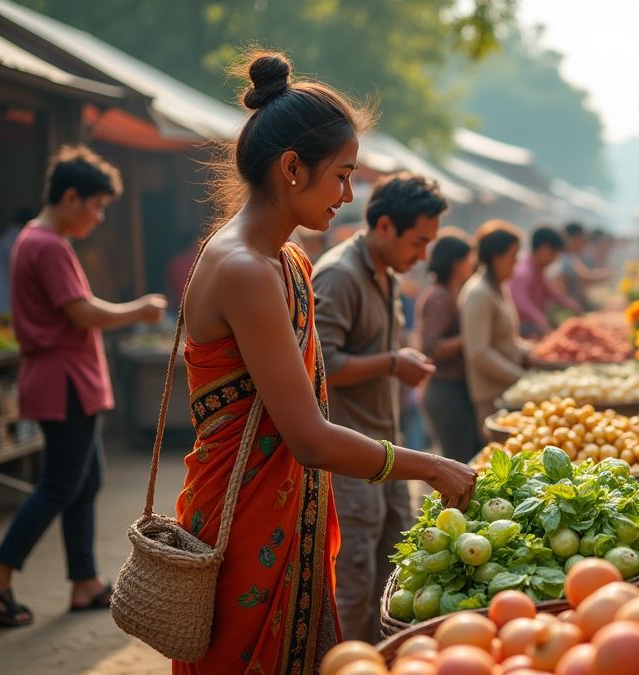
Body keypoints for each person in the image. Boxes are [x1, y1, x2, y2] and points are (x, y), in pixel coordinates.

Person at [172, 52, 475, 672]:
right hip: (246, 525)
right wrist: (433, 467)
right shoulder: (245, 269)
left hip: (288, 512)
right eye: (341, 176)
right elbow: (308, 438)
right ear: (291, 169)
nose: (347, 195)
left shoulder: (287, 262)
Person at [0, 147, 167, 627]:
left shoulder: (39, 240)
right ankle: (0, 575)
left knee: (84, 480)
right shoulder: (46, 244)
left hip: (67, 379)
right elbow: (83, 311)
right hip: (63, 380)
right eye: (95, 205)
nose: (98, 217)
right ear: (69, 196)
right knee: (57, 484)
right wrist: (139, 308)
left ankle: (85, 582)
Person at [310, 171, 446, 643]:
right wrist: (392, 362)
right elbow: (320, 363)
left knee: (394, 576)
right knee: (352, 584)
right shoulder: (340, 274)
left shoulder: (386, 274)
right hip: (350, 458)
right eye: (418, 241)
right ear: (384, 226)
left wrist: (393, 364)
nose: (423, 255)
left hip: (387, 449)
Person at [461, 221, 535, 429]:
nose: (516, 262)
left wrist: (532, 353)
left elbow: (506, 340)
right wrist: (520, 377)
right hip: (490, 394)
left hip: (505, 390)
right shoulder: (479, 293)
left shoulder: (499, 288)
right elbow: (479, 352)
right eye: (513, 256)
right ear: (497, 257)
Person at [417, 232, 482, 463]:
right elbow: (432, 348)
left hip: (454, 388)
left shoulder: (452, 293)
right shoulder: (439, 298)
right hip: (445, 390)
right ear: (456, 263)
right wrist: (470, 338)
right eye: (469, 258)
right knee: (458, 461)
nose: (472, 264)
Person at [509, 225, 581, 337]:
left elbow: (549, 291)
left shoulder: (537, 269)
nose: (555, 259)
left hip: (535, 322)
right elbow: (521, 303)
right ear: (544, 249)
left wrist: (570, 304)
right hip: (522, 328)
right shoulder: (523, 272)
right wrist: (540, 320)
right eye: (553, 254)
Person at [557, 222, 610, 312]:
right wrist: (607, 273)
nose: (584, 242)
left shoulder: (573, 257)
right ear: (573, 238)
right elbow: (585, 278)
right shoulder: (561, 260)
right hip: (570, 309)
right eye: (582, 238)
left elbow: (586, 274)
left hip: (577, 306)